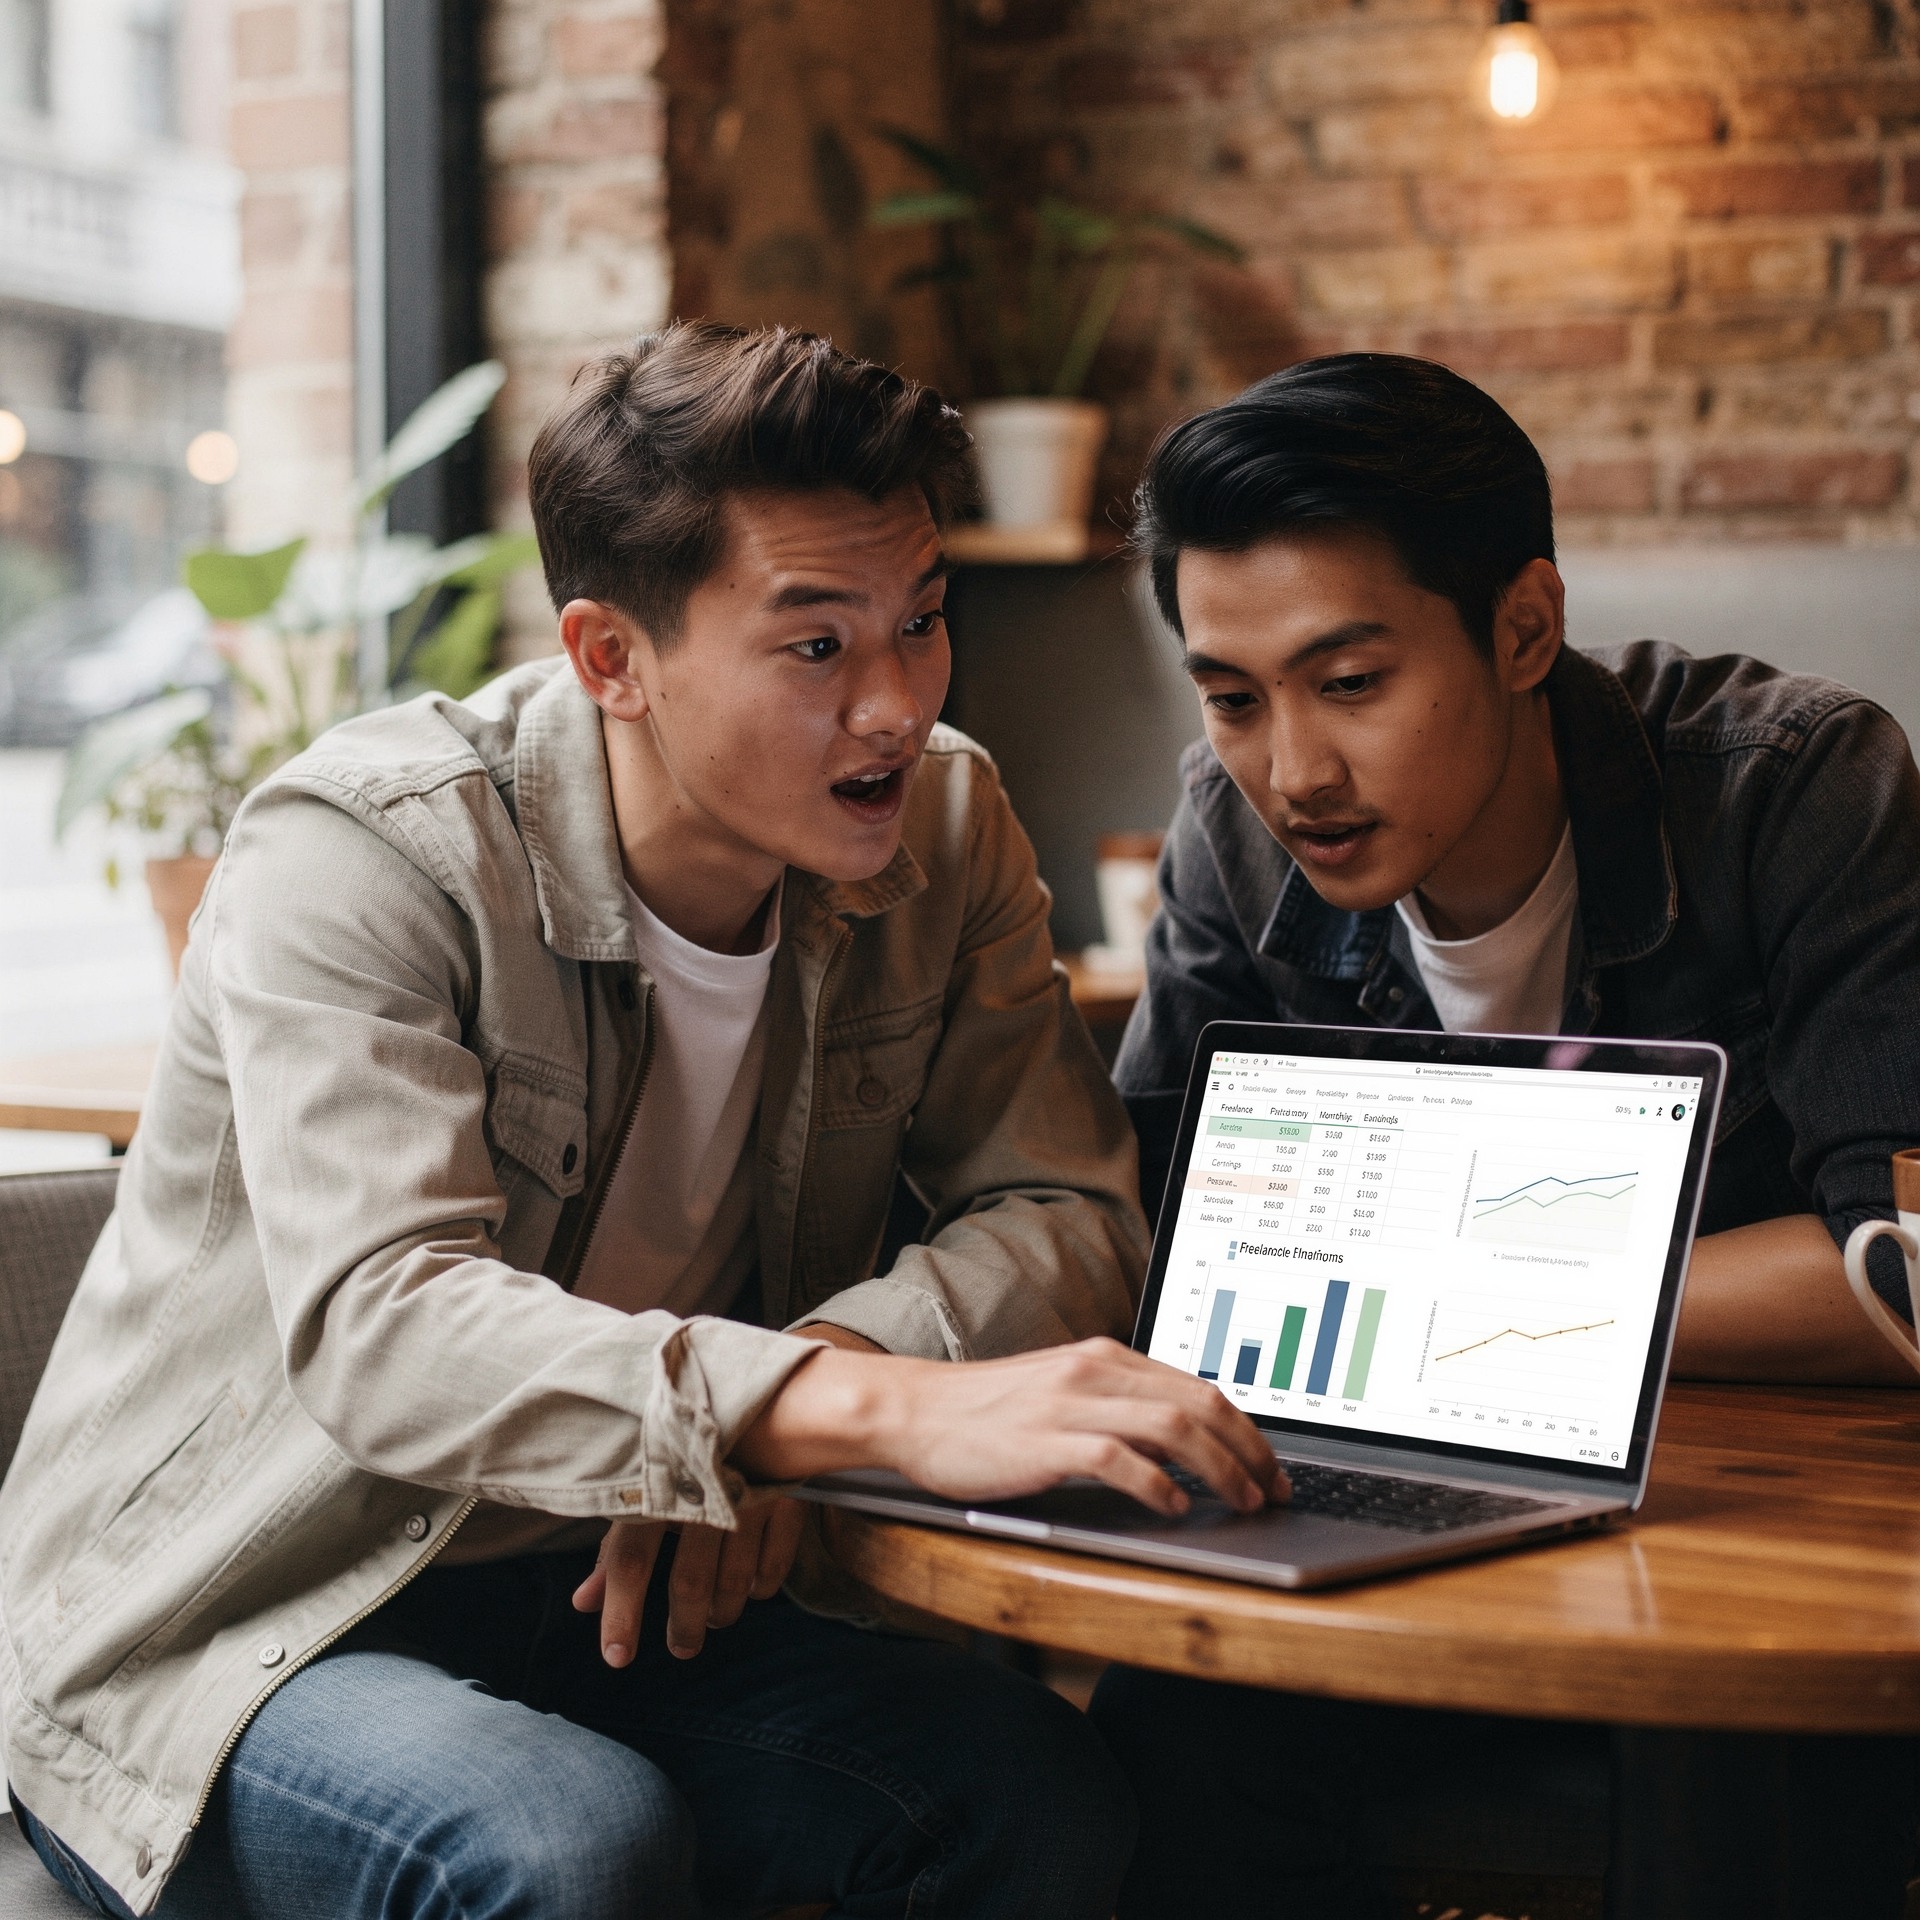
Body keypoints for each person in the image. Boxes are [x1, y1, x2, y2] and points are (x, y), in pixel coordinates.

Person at [0, 322, 1281, 1920]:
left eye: (924, 621)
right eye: (818, 648)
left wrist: (826, 1379)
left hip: (607, 1582)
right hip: (251, 1618)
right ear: (611, 656)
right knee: (562, 1845)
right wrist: (836, 1414)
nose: (896, 704)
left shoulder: (945, 830)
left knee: (1041, 1797)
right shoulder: (366, 853)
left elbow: (1071, 1214)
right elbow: (387, 1325)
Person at [1089, 353, 1920, 1918]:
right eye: (1232, 697)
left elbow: (1902, 1268)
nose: (1291, 772)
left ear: (1524, 626)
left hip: (1749, 1537)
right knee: (1163, 1734)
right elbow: (1159, 1234)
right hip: (1389, 1514)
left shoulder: (1797, 790)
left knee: (1724, 1724)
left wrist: (1449, 1312)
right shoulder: (1224, 828)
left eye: (1350, 683)